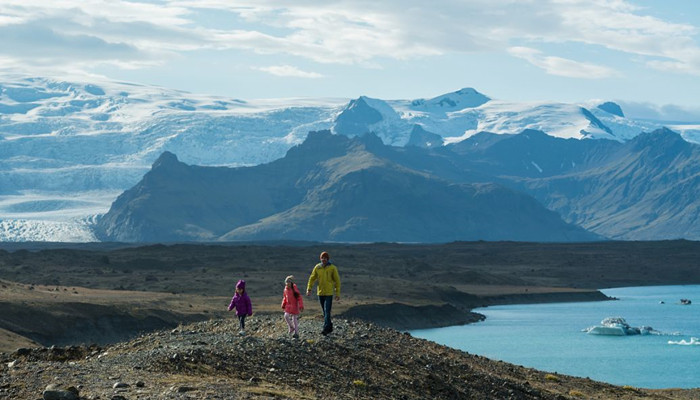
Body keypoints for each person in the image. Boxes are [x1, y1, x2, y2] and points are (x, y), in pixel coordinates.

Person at [306, 251, 341, 335]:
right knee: (324, 312)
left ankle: (325, 329)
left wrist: (337, 293)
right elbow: (312, 278)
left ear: (328, 259)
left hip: (329, 293)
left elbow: (337, 281)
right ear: (320, 258)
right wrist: (309, 289)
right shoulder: (317, 267)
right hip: (320, 292)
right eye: (322, 258)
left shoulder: (332, 268)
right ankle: (329, 326)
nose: (324, 259)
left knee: (327, 310)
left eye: (325, 258)